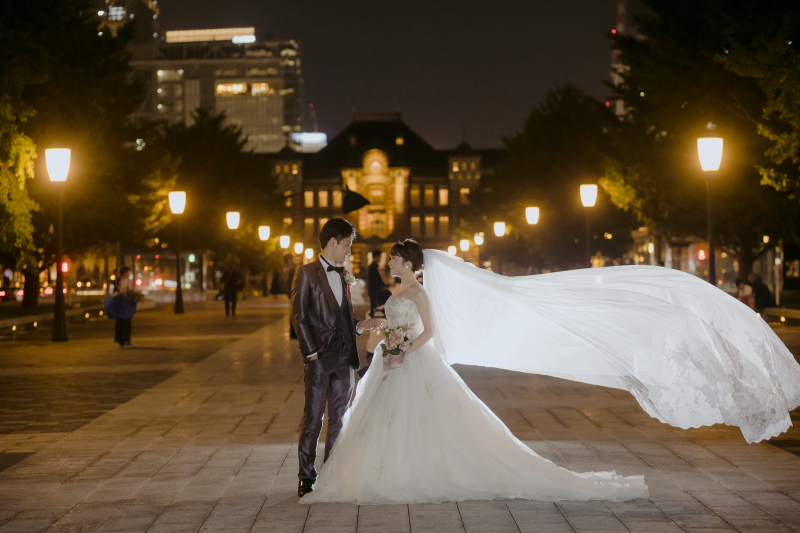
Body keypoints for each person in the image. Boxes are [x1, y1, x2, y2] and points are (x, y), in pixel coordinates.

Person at [301, 240, 800, 504]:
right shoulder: (396, 294)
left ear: (411, 264)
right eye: (390, 259)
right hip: (393, 364)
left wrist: (405, 347)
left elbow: (430, 332)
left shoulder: (423, 293)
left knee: (435, 424)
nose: (389, 263)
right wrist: (379, 327)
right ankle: (383, 473)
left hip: (413, 363)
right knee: (387, 425)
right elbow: (393, 321)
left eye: (394, 258)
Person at [290, 218, 380, 497]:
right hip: (319, 359)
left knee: (339, 419)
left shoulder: (343, 275)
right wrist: (312, 354)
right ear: (333, 242)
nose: (349, 251)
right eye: (348, 245)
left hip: (344, 357)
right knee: (313, 419)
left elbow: (342, 315)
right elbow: (299, 317)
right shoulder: (305, 273)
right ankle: (306, 476)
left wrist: (358, 326)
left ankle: (331, 474)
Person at [357, 288, 391, 378]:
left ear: (376, 302)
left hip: (372, 349)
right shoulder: (392, 314)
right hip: (387, 349)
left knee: (373, 374)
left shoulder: (369, 313)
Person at [114, 265, 134, 347]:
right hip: (124, 304)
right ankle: (125, 340)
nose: (130, 273)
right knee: (126, 323)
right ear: (125, 272)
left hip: (120, 304)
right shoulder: (124, 281)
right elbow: (123, 292)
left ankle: (122, 340)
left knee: (121, 323)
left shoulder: (119, 280)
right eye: (128, 272)